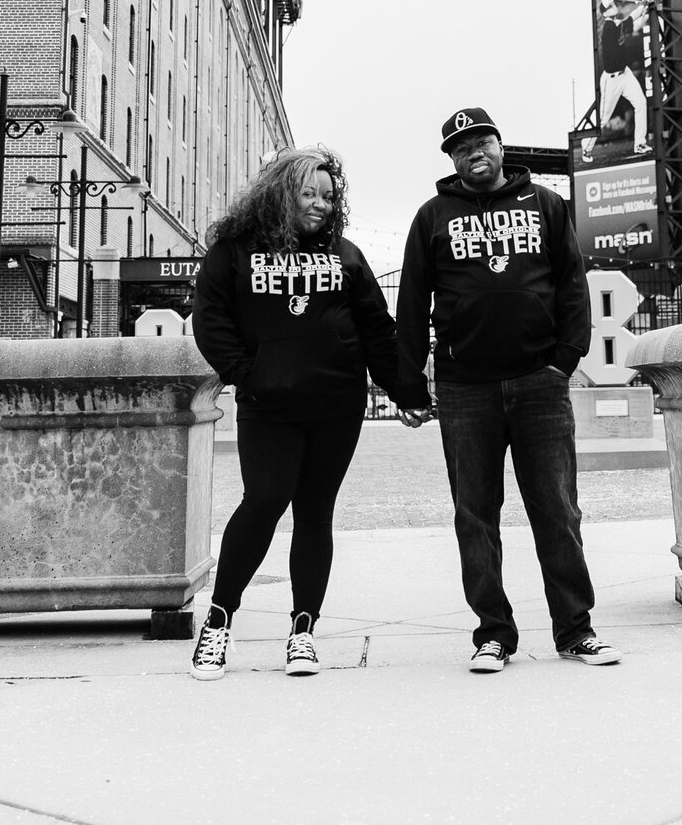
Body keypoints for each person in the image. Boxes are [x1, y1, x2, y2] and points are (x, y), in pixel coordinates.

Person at [188, 145, 429, 681]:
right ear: (280, 192)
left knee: (315, 514)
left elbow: (377, 330)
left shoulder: (345, 254)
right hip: (267, 406)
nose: (319, 204)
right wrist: (249, 376)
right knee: (264, 501)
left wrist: (407, 392)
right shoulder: (233, 250)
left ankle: (302, 631)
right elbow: (212, 322)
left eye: (327, 195)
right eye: (308, 193)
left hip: (336, 406)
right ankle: (219, 623)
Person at [397, 108, 621, 673]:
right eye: (460, 145)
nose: (474, 150)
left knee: (557, 511)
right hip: (464, 388)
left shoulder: (545, 204)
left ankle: (576, 630)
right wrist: (411, 387)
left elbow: (572, 285)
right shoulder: (431, 217)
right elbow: (411, 307)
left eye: (482, 140)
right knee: (475, 515)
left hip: (539, 385)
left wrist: (563, 362)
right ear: (451, 158)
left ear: (501, 146)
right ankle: (492, 633)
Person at [595, 0, 651, 154]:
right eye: (610, 6)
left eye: (613, 4)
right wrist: (642, 7)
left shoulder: (616, 23)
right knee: (602, 120)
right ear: (605, 12)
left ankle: (639, 143)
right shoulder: (609, 27)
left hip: (624, 74)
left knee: (640, 102)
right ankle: (586, 147)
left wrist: (647, 12)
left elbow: (636, 25)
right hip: (610, 80)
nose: (614, 6)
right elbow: (631, 20)